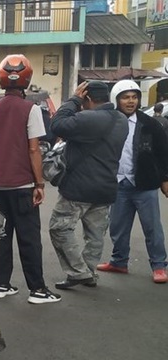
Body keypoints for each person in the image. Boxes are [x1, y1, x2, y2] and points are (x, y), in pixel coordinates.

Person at [0, 54, 61, 304]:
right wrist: (39, 184)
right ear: (27, 79)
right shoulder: (31, 109)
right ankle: (37, 290)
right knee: (29, 238)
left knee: (2, 237)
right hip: (22, 185)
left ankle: (1, 285)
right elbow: (33, 149)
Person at [48, 81, 128, 289]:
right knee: (95, 235)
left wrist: (73, 100)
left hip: (78, 187)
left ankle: (78, 272)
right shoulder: (121, 120)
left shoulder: (87, 118)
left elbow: (56, 124)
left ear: (88, 99)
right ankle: (89, 273)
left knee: (59, 228)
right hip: (106, 187)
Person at [97, 80, 168, 283]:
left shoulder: (150, 124)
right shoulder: (108, 122)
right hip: (118, 184)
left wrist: (165, 178)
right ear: (116, 99)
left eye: (134, 97)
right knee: (118, 227)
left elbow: (163, 153)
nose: (131, 101)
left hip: (144, 184)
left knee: (152, 227)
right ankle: (119, 262)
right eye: (126, 97)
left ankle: (159, 265)